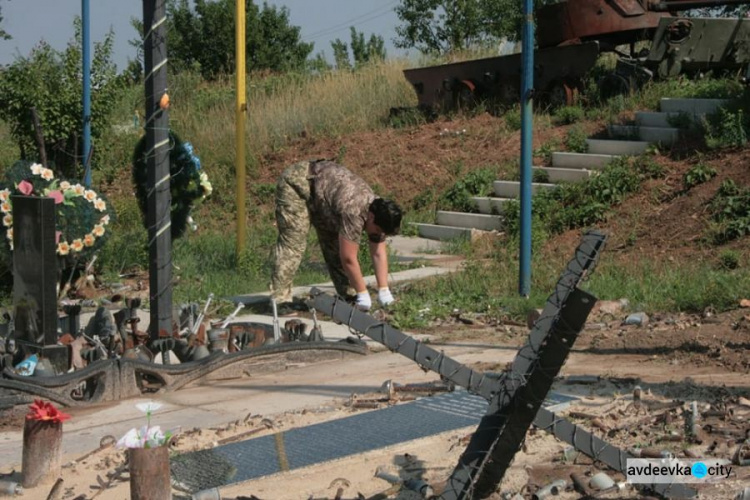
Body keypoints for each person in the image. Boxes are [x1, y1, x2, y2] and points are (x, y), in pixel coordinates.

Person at [270, 159, 403, 311]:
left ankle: (348, 295)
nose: (378, 235)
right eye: (378, 231)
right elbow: (348, 258)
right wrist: (363, 293)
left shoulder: (378, 210)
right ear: (371, 217)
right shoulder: (354, 210)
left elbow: (379, 253)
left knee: (333, 245)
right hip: (297, 185)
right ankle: (280, 302)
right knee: (294, 242)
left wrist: (384, 291)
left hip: (323, 198)